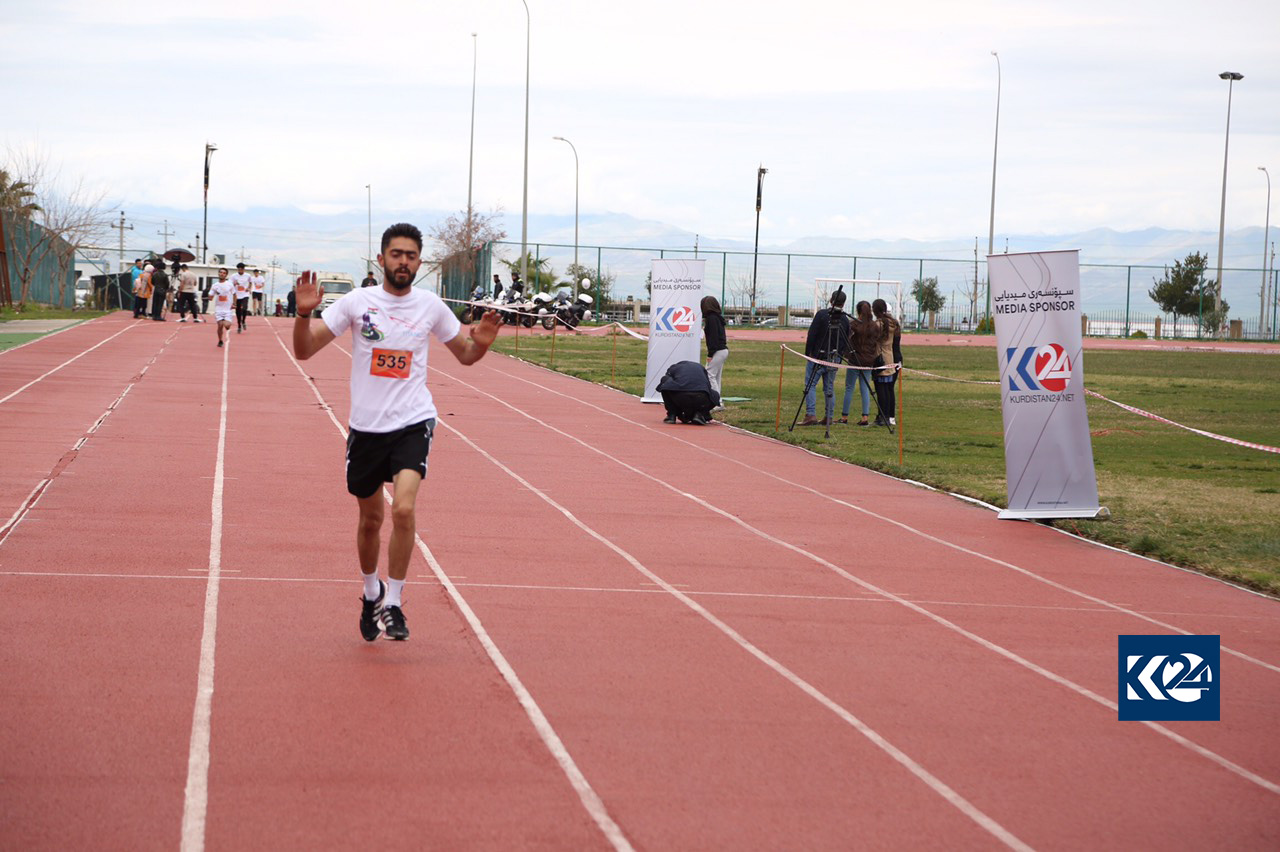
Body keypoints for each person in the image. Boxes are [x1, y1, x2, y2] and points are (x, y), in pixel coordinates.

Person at [292, 223, 501, 642]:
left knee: (403, 510)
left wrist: (481, 344)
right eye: (396, 254)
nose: (403, 261)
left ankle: (395, 603)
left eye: (410, 255)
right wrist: (303, 314)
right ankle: (372, 592)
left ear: (419, 263)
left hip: (413, 421)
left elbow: (465, 356)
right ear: (381, 259)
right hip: (367, 428)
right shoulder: (357, 303)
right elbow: (303, 350)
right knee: (371, 520)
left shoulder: (431, 307)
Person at [801, 286, 850, 426]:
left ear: (831, 300)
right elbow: (846, 340)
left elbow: (812, 334)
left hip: (817, 357)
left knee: (810, 385)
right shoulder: (845, 320)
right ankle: (828, 416)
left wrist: (808, 353)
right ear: (843, 303)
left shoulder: (822, 315)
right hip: (833, 359)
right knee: (829, 388)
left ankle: (811, 414)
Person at [841, 300, 880, 426]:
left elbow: (847, 341)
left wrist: (847, 355)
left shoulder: (854, 325)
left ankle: (844, 416)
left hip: (855, 360)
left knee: (849, 387)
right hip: (868, 361)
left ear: (858, 311)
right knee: (865, 388)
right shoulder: (875, 326)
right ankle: (865, 416)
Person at [872, 298, 902, 427]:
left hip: (880, 359)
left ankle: (883, 416)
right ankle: (889, 416)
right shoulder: (893, 323)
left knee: (881, 390)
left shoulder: (878, 325)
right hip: (890, 358)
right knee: (889, 389)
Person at [701, 295, 728, 409]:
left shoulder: (711, 319)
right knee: (716, 376)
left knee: (709, 375)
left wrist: (710, 354)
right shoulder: (718, 317)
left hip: (717, 350)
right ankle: (717, 399)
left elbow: (713, 338)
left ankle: (717, 401)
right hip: (723, 350)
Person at [209, 267, 235, 347]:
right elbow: (210, 298)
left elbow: (234, 294)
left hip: (227, 309)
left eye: (224, 273)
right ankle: (220, 340)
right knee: (219, 325)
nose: (222, 274)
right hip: (219, 308)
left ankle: (225, 322)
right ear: (218, 273)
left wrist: (234, 304)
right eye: (220, 272)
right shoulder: (215, 285)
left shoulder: (229, 284)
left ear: (226, 275)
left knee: (227, 326)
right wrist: (213, 293)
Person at [230, 262, 252, 332]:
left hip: (245, 294)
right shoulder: (234, 276)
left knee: (244, 308)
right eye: (239, 269)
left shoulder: (248, 275)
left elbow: (250, 282)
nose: (240, 270)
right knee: (238, 310)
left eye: (241, 269)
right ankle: (239, 325)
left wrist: (248, 288)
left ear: (243, 269)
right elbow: (230, 283)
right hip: (237, 295)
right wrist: (234, 283)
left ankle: (243, 321)